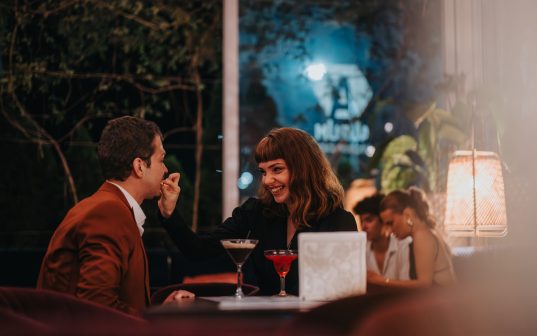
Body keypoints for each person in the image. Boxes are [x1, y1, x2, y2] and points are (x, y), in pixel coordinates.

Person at [159, 127, 357, 296]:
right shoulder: (255, 212)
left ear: (303, 169)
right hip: (266, 327)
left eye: (277, 170)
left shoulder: (338, 221)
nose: (267, 180)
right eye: (263, 171)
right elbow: (199, 250)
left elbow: (341, 294)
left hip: (314, 329)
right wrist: (169, 214)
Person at [37, 116, 186, 316]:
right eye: (161, 160)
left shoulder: (108, 206)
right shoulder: (108, 213)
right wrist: (156, 322)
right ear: (139, 166)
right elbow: (98, 308)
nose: (166, 169)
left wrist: (159, 309)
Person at [377, 187, 456, 287]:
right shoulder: (428, 230)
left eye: (390, 223)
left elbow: (424, 284)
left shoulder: (421, 235)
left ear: (407, 214)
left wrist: (382, 281)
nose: (389, 231)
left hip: (445, 300)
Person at [353, 194, 412, 284]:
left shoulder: (403, 245)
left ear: (384, 220)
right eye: (361, 221)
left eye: (369, 220)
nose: (363, 226)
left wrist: (382, 281)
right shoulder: (361, 251)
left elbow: (407, 285)